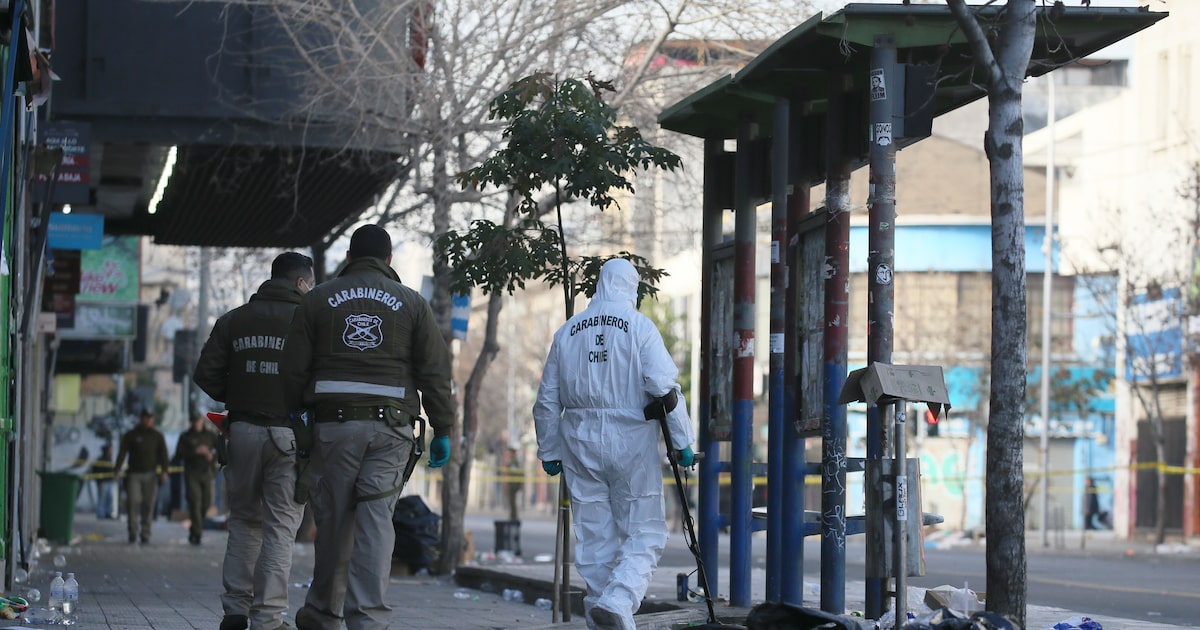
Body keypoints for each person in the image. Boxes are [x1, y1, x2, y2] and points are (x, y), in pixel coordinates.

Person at [282, 224, 454, 630]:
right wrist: (443, 428)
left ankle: (324, 613)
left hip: (333, 428)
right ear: (389, 260)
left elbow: (291, 370)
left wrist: (297, 420)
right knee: (376, 523)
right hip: (390, 431)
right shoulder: (412, 303)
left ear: (349, 258)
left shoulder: (318, 299)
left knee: (334, 522)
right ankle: (369, 621)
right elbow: (434, 372)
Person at [532, 257, 696, 630]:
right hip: (630, 437)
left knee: (594, 532)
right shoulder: (640, 327)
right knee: (646, 528)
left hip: (578, 438)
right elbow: (665, 390)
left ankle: (603, 612)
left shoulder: (567, 332)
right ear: (631, 288)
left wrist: (549, 449)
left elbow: (546, 400)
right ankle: (619, 601)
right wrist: (683, 441)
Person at [193, 252, 315, 630]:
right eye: (309, 284)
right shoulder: (309, 323)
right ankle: (268, 617)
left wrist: (242, 393)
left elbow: (206, 375)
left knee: (245, 522)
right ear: (299, 282)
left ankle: (234, 611)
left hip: (241, 432)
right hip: (288, 435)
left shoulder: (234, 320)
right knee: (280, 527)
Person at [114, 408, 170, 544]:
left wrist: (164, 471)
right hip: (134, 474)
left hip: (151, 475)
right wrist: (117, 470)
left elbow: (164, 454)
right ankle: (132, 532)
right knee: (133, 502)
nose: (148, 420)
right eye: (146, 417)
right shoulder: (131, 435)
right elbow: (122, 453)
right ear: (141, 418)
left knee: (148, 504)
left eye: (151, 418)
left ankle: (145, 533)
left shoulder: (157, 436)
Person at [175, 413, 218, 545]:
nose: (196, 423)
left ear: (202, 421)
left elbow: (220, 450)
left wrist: (211, 456)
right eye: (194, 421)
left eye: (198, 421)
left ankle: (195, 528)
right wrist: (195, 452)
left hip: (206, 472)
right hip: (192, 473)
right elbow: (178, 455)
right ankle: (198, 533)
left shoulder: (210, 435)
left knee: (206, 502)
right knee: (195, 502)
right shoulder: (186, 436)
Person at [91, 443, 115, 519]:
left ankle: (108, 513)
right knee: (102, 498)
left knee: (109, 498)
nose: (111, 451)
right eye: (110, 450)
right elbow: (96, 472)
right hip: (103, 483)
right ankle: (101, 514)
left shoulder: (110, 460)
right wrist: (99, 483)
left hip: (110, 482)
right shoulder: (100, 460)